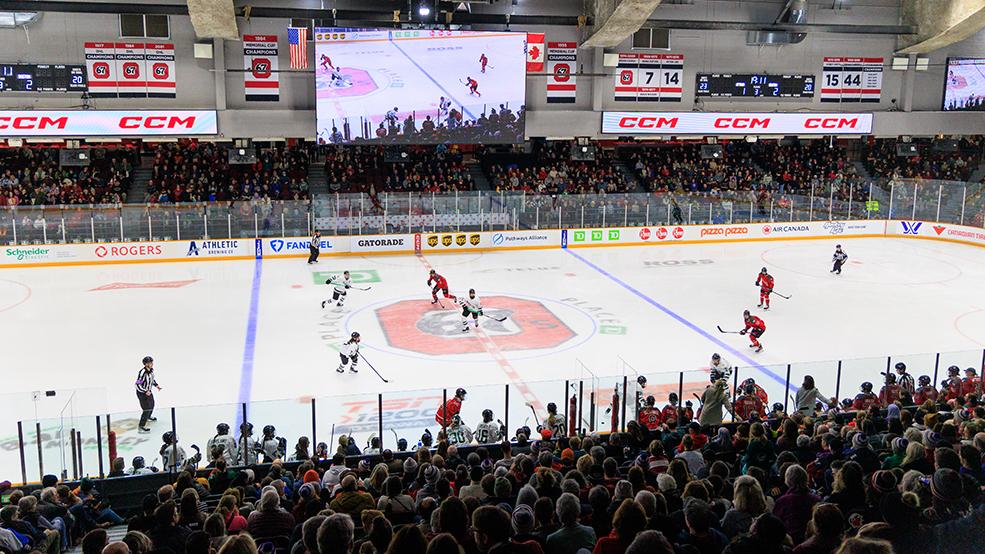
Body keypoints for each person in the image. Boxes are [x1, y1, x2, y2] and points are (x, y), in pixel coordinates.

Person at [135, 356, 161, 433]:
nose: (152, 364)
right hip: (142, 393)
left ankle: (148, 417)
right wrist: (145, 391)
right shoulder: (142, 372)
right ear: (146, 364)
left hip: (148, 392)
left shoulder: (151, 371)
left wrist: (157, 385)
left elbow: (152, 380)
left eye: (152, 362)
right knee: (146, 409)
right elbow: (137, 384)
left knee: (152, 405)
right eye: (150, 363)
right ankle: (141, 425)